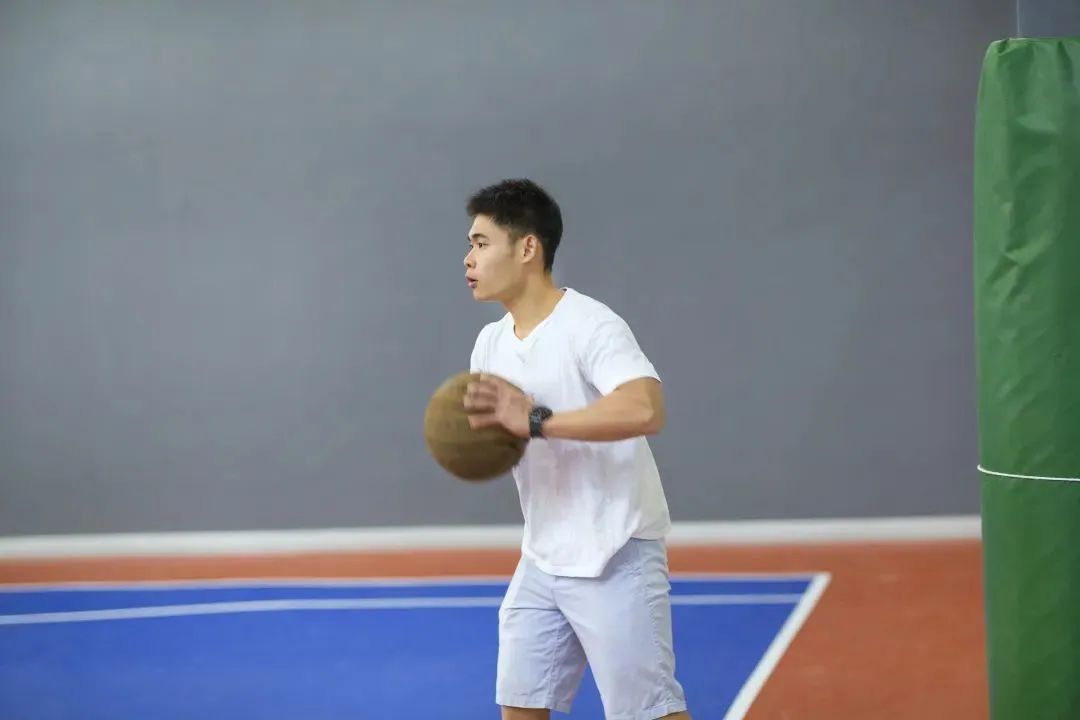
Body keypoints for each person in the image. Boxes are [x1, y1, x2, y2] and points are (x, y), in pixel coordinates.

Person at [461, 178, 692, 720]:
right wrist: (481, 440)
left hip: (615, 550)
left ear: (527, 248)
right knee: (521, 705)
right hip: (543, 556)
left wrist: (536, 421)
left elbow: (644, 409)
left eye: (481, 243)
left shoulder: (591, 325)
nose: (468, 259)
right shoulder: (490, 343)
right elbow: (505, 436)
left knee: (650, 714)